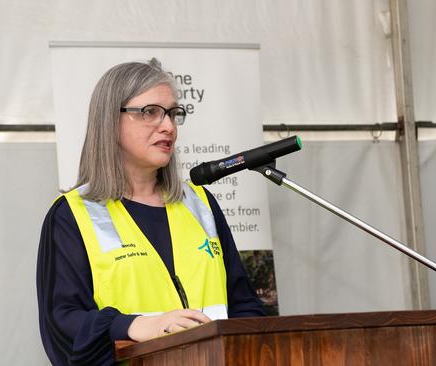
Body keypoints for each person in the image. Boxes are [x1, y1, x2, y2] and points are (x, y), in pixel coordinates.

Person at [37, 58, 265, 365]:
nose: (168, 126)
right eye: (150, 112)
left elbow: (242, 303)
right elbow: (63, 322)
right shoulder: (72, 215)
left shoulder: (201, 203)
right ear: (109, 120)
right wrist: (136, 325)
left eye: (173, 113)